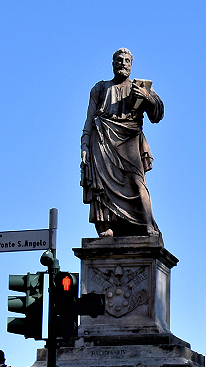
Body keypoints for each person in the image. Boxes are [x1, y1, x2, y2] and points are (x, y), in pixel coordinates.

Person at [81, 48, 164, 238]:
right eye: (119, 60)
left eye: (127, 60)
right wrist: (84, 144)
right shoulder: (100, 89)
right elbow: (88, 119)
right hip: (101, 140)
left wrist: (147, 97)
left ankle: (148, 224)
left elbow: (158, 114)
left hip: (129, 140)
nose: (123, 63)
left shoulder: (139, 87)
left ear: (131, 65)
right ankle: (105, 225)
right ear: (113, 63)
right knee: (101, 185)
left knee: (137, 183)